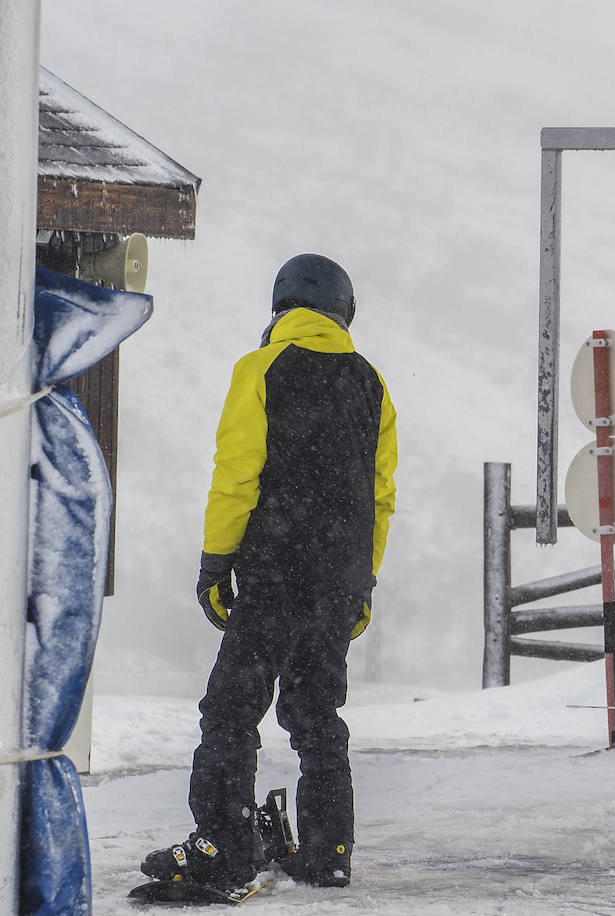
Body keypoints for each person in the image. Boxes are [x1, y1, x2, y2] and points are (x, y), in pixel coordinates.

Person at [141, 253, 399, 893]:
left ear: (280, 308)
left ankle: (223, 847)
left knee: (231, 710)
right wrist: (361, 580)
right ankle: (328, 849)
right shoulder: (372, 383)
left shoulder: (260, 370)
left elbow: (237, 473)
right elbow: (380, 495)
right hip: (338, 576)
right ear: (345, 313)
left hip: (275, 571)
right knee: (317, 714)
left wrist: (215, 561)